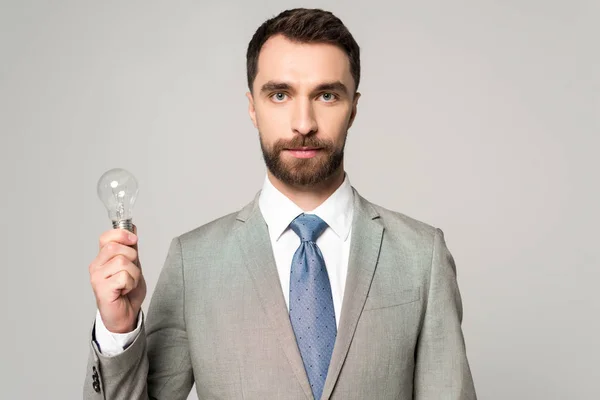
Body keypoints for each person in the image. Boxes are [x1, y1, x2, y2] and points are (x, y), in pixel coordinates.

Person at [84, 7, 477, 400]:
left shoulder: (420, 257)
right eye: (279, 94)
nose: (303, 123)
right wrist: (117, 330)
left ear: (353, 108)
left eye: (326, 95)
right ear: (252, 107)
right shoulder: (193, 263)